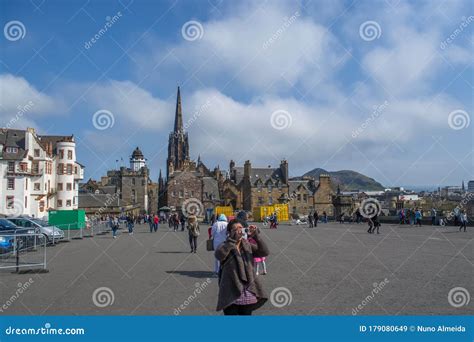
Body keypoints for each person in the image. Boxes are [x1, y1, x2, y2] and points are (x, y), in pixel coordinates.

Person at [215, 219, 269, 315]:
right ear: (229, 233)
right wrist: (232, 241)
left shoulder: (247, 245)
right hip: (230, 292)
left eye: (240, 228)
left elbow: (264, 252)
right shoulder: (225, 245)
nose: (239, 231)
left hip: (247, 292)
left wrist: (256, 236)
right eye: (235, 229)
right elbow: (219, 255)